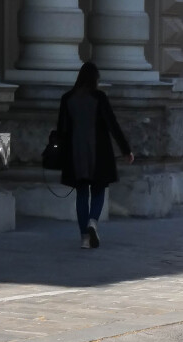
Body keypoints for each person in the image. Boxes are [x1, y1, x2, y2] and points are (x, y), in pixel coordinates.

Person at [56, 62, 134, 249]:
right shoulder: (99, 97)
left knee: (81, 193)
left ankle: (84, 238)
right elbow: (112, 124)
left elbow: (61, 130)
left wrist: (60, 154)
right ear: (95, 79)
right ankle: (93, 221)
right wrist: (125, 150)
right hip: (98, 152)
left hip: (76, 153)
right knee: (98, 191)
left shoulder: (67, 99)